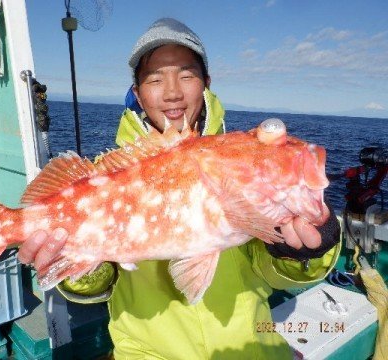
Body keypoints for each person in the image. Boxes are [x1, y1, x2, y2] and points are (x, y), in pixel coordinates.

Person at [18, 18, 341, 359]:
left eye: (186, 75)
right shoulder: (100, 175)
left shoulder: (237, 165)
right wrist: (80, 263)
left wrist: (305, 251)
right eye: (155, 79)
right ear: (138, 94)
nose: (172, 92)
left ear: (206, 84)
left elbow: (274, 273)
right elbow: (96, 286)